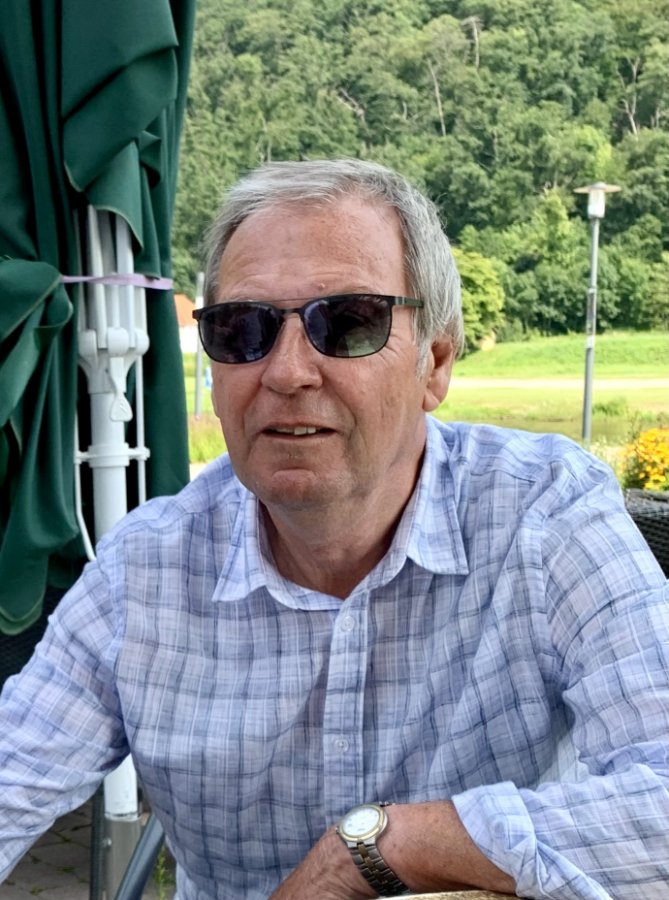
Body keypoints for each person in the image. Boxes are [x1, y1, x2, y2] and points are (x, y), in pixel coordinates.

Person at [0, 158, 667, 900]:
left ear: (435, 362)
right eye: (242, 330)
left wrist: (382, 847)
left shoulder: (543, 513)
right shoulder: (145, 571)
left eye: (347, 324)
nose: (287, 372)